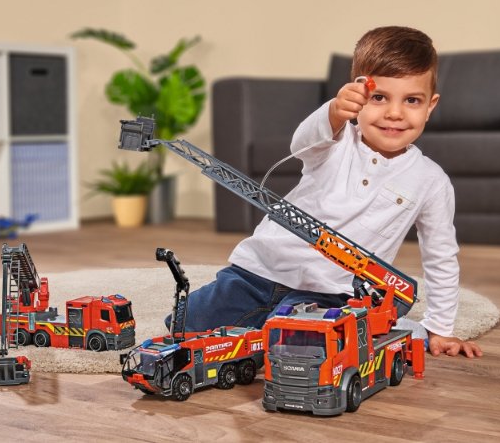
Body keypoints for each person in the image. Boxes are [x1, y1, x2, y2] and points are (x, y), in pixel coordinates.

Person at [180, 26, 482, 358]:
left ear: (430, 106)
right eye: (379, 97)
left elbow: (440, 255)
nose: (394, 113)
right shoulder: (335, 140)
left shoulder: (430, 180)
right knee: (186, 325)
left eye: (412, 100)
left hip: (331, 292)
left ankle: (398, 330)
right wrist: (334, 111)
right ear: (358, 95)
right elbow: (301, 143)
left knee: (295, 349)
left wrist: (441, 327)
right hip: (260, 270)